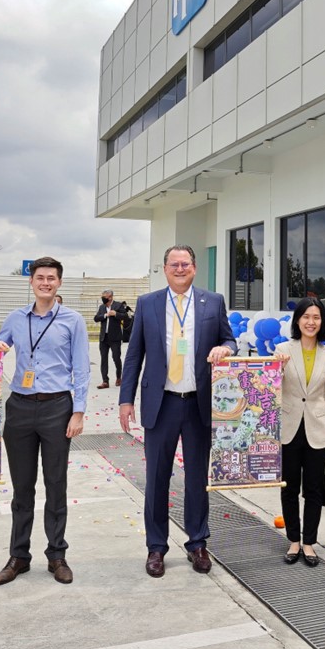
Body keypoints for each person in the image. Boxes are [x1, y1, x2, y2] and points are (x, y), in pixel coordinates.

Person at [118, 245, 236, 578]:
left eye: (185, 264)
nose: (180, 268)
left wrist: (224, 348)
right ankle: (156, 547)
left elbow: (231, 340)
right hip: (162, 402)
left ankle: (198, 543)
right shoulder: (148, 303)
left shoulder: (213, 302)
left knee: (197, 478)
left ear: (194, 268)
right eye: (174, 264)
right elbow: (134, 356)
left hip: (199, 403)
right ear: (165, 269)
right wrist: (126, 400)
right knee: (157, 477)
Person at [0, 256, 90, 586]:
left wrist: (78, 411)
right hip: (19, 407)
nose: (45, 283)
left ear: (60, 283)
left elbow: (82, 368)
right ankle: (18, 556)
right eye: (40, 278)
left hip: (57, 407)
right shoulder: (16, 318)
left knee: (56, 484)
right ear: (31, 282)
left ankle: (57, 554)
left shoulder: (72, 321)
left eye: (51, 278)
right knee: (22, 489)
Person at [272, 297, 325, 566]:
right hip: (289, 427)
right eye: (306, 316)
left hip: (316, 429)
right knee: (289, 487)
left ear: (322, 322)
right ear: (297, 320)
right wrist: (278, 367)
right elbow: (270, 389)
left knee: (314, 489)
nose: (311, 322)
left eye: (316, 317)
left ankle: (309, 542)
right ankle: (293, 541)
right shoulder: (282, 349)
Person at [94, 289, 130, 389]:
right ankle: (105, 381)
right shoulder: (102, 307)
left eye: (104, 297)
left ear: (110, 297)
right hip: (103, 338)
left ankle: (119, 377)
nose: (103, 299)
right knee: (103, 359)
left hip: (115, 338)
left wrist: (116, 314)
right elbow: (96, 318)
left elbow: (126, 316)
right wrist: (105, 315)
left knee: (116, 358)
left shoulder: (118, 305)